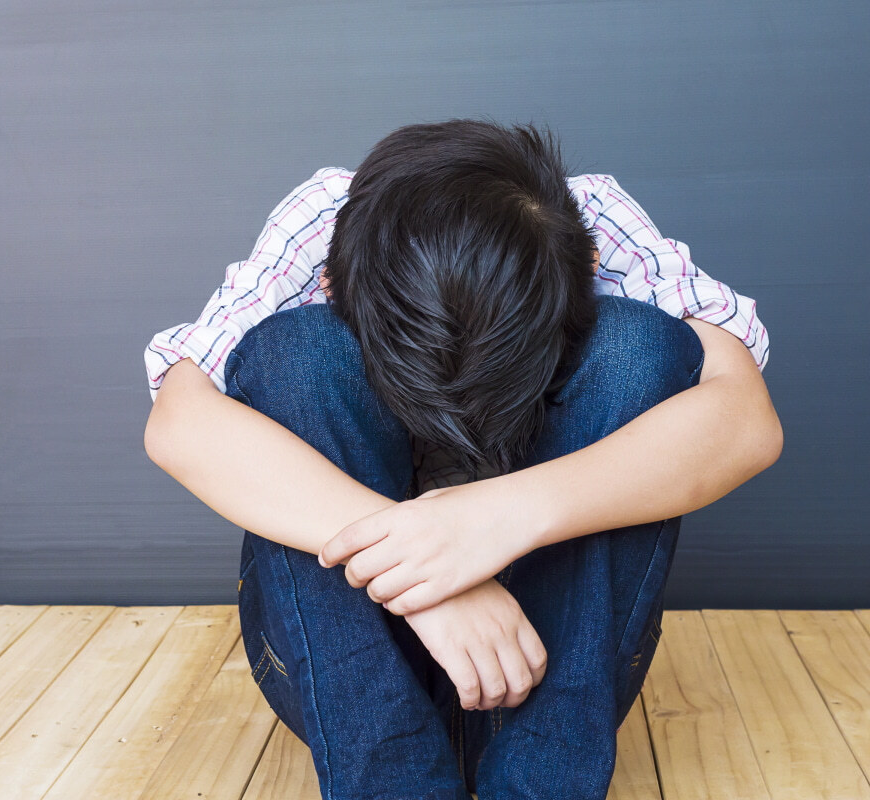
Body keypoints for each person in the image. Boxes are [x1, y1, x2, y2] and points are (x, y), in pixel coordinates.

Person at [141, 118, 781, 800]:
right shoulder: (330, 218)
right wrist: (426, 573)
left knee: (641, 347)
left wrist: (496, 519)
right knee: (291, 354)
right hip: (347, 672)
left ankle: (544, 782)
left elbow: (745, 421)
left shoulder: (585, 222)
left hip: (557, 667)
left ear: (588, 269)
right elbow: (179, 424)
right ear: (331, 282)